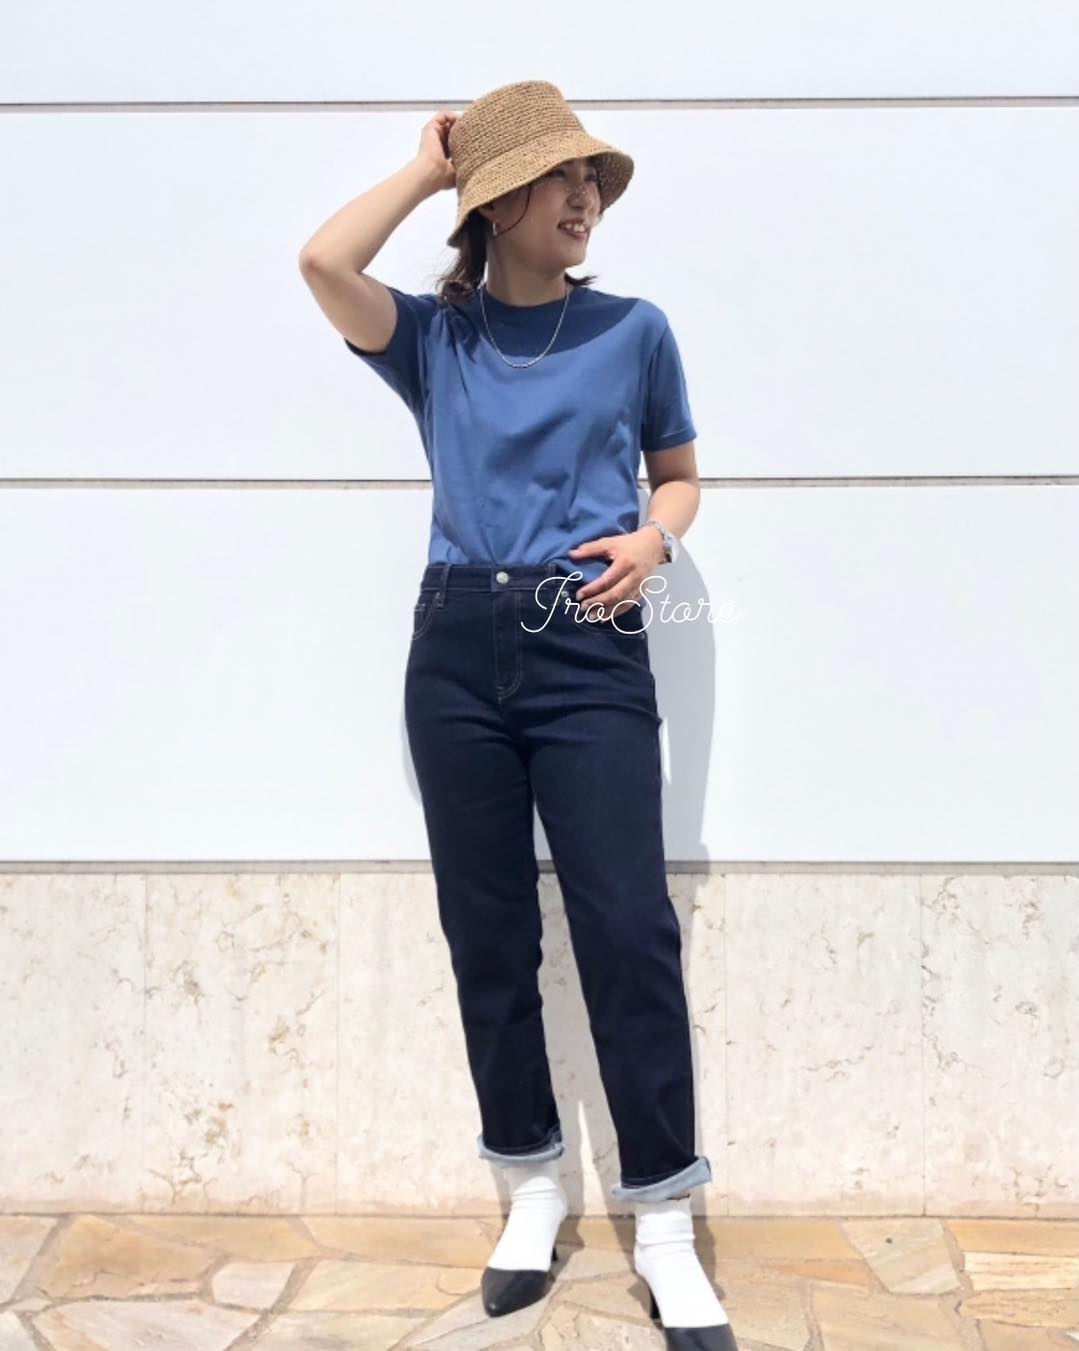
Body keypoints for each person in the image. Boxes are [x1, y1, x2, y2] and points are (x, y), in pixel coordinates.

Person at [299, 79, 738, 1349]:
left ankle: (664, 1222)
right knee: (485, 930)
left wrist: (653, 541)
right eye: (559, 177)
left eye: (592, 178)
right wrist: (428, 171)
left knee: (626, 928)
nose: (585, 196)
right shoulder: (433, 342)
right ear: (498, 201)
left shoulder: (633, 331)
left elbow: (678, 477)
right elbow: (321, 262)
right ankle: (531, 1189)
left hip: (586, 642)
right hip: (456, 647)